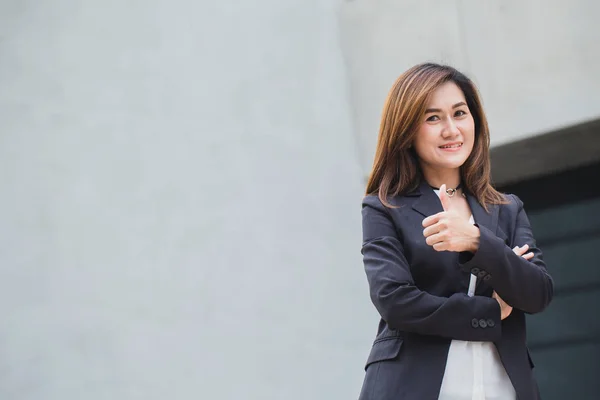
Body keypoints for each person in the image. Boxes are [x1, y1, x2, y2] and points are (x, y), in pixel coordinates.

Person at [358, 63, 553, 400]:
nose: (451, 130)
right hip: (413, 387)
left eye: (459, 113)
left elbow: (537, 292)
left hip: (503, 388)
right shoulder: (383, 207)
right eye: (433, 118)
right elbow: (395, 301)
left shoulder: (507, 209)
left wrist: (477, 241)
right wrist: (492, 311)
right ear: (406, 131)